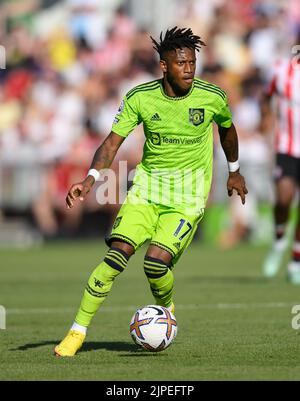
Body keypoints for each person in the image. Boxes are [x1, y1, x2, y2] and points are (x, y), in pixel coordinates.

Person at [54, 27, 248, 357]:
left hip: (187, 199)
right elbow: (111, 143)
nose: (189, 69)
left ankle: (166, 309)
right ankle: (77, 331)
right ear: (164, 66)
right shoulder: (140, 97)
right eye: (182, 63)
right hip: (146, 192)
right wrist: (89, 180)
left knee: (155, 265)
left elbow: (228, 132)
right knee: (115, 256)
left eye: (193, 62)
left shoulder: (212, 97)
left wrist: (234, 171)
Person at [262, 52, 300, 284]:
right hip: (287, 147)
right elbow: (266, 96)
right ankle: (278, 241)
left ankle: (296, 260)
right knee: (284, 199)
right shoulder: (281, 69)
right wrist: (266, 116)